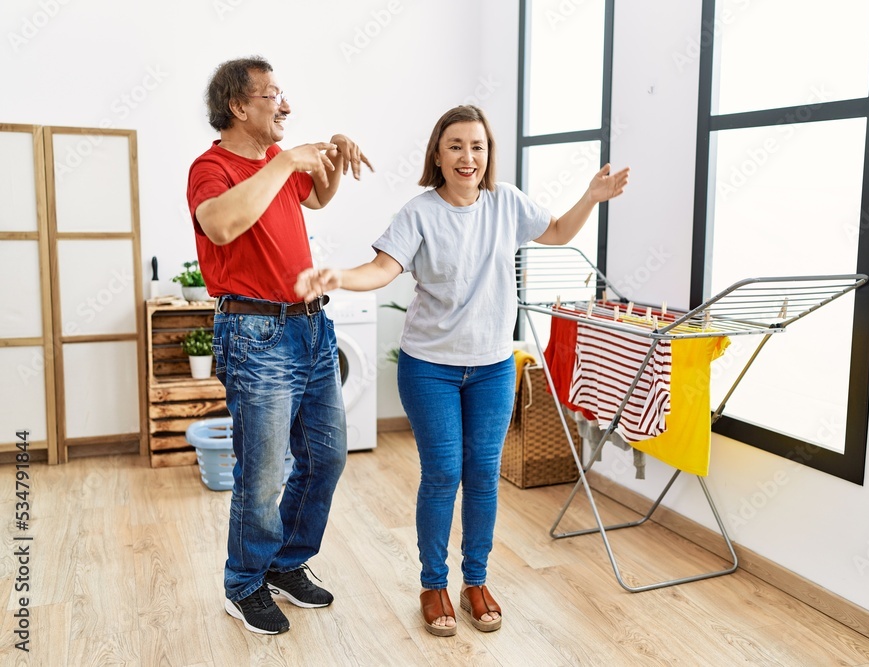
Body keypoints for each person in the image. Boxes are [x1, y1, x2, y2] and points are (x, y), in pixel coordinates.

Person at [295, 105, 628, 637]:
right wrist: (337, 275)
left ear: (488, 154)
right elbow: (383, 268)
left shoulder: (507, 204)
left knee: (482, 477)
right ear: (438, 154)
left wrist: (591, 196)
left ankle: (476, 581)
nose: (467, 157)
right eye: (455, 146)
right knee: (444, 473)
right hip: (431, 368)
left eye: (477, 146)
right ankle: (433, 585)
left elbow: (560, 231)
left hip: (493, 366)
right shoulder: (419, 213)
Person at [185, 56, 373, 635]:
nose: (285, 106)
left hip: (311, 327)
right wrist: (287, 159)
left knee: (326, 458)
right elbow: (219, 225)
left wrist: (331, 160)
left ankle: (286, 564)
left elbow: (317, 199)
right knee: (264, 473)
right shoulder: (210, 167)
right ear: (239, 107)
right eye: (272, 96)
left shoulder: (275, 162)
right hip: (255, 333)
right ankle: (243, 584)